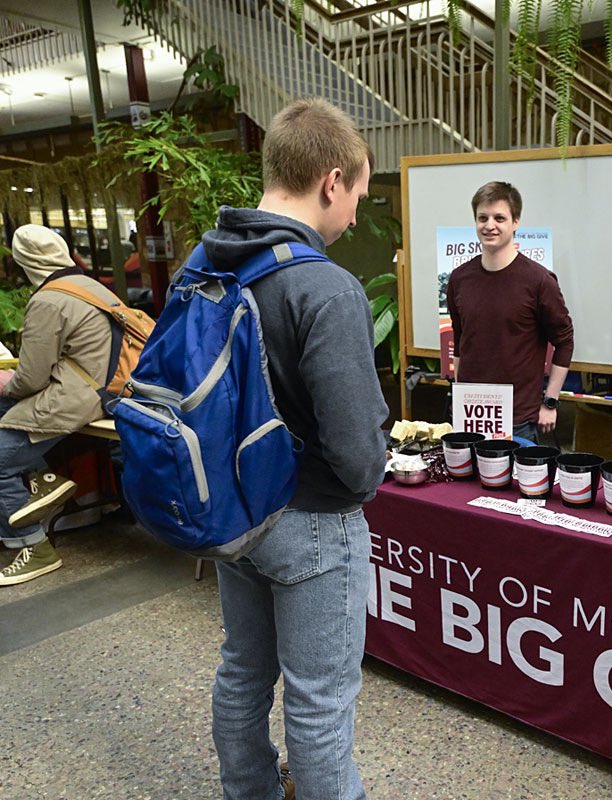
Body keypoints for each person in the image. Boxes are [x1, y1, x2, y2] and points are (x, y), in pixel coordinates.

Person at [201, 98, 387, 800]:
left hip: (234, 509)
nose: (355, 216)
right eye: (359, 196)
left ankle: (248, 790)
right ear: (331, 181)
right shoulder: (325, 287)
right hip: (312, 521)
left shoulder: (210, 261)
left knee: (243, 669)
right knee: (318, 700)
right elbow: (358, 457)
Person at [0, 223, 126, 586]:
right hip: (112, 392)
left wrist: (8, 386)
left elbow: (31, 379)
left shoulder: (48, 299)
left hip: (78, 399)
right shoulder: (88, 286)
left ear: (24, 261)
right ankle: (44, 477)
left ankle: (32, 546)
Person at [446, 181, 574, 443]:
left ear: (515, 222)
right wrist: (460, 393)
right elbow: (460, 340)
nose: (489, 225)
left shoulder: (539, 281)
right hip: (469, 417)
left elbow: (564, 340)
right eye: (483, 218)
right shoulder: (459, 279)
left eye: (499, 218)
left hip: (519, 422)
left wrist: (550, 402)